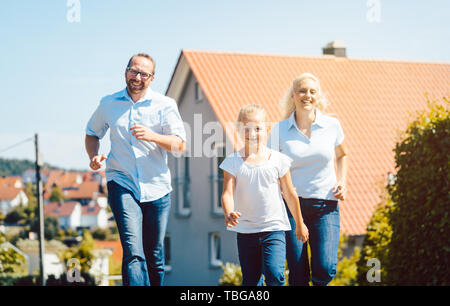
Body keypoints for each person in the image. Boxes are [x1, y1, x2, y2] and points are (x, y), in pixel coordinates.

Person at [85, 53, 186, 286]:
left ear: (152, 78)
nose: (137, 77)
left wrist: (153, 136)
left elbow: (180, 144)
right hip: (122, 182)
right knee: (133, 251)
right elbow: (92, 133)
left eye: (143, 73)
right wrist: (93, 157)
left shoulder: (165, 105)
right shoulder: (108, 103)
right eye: (133, 71)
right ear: (126, 71)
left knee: (155, 256)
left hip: (157, 188)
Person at [268, 73, 348, 286]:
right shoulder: (279, 129)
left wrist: (342, 182)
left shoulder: (332, 125)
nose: (307, 95)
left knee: (325, 267)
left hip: (325, 205)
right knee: (297, 271)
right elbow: (269, 167)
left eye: (312, 91)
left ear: (318, 95)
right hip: (292, 209)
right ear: (293, 95)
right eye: (302, 91)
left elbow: (342, 155)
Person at [220, 104, 309, 286]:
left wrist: (300, 224)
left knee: (275, 275)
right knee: (251, 282)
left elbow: (290, 194)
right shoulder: (232, 162)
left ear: (267, 130)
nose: (252, 134)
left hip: (274, 228)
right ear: (239, 130)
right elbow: (227, 193)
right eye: (247, 129)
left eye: (258, 129)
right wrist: (229, 212)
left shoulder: (278, 160)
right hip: (246, 231)